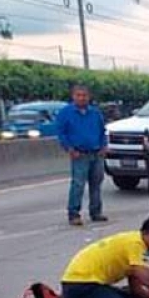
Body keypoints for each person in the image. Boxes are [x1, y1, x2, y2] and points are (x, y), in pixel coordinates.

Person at [56, 84, 109, 226]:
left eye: (84, 95)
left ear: (89, 97)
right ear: (73, 96)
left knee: (96, 184)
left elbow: (102, 131)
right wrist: (69, 149)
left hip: (96, 153)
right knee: (78, 185)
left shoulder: (95, 113)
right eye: (78, 95)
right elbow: (61, 133)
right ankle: (74, 214)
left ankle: (96, 212)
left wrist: (104, 146)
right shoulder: (65, 113)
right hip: (79, 155)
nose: (81, 98)